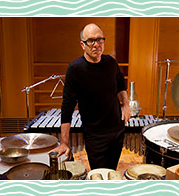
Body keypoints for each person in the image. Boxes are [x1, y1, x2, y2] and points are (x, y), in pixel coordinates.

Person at [52, 23, 131, 170]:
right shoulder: (75, 69)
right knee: (99, 174)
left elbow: (121, 84)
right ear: (82, 45)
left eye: (100, 40)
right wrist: (64, 142)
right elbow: (67, 108)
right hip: (95, 135)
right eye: (91, 41)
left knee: (112, 172)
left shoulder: (111, 62)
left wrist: (126, 104)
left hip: (117, 131)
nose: (96, 45)